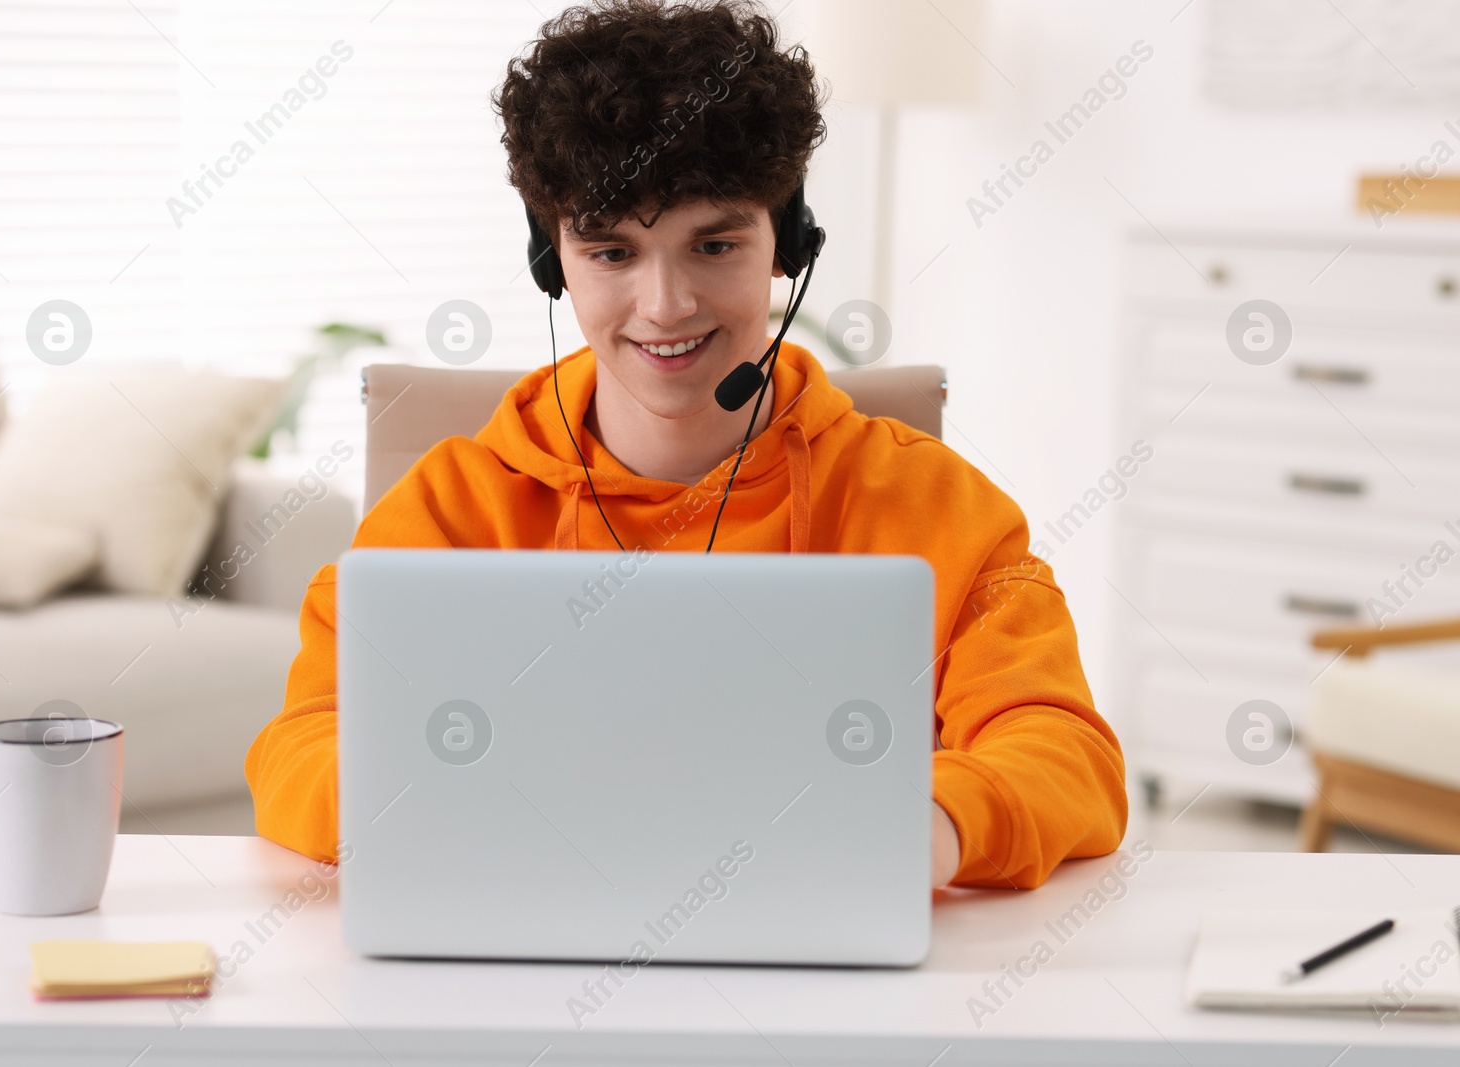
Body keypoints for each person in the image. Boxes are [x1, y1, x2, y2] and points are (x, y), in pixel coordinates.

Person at [245, 0, 1127, 889]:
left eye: (713, 244)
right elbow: (304, 743)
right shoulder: (449, 509)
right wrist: (457, 809)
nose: (666, 305)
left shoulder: (933, 505)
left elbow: (1064, 749)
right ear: (552, 262)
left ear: (787, 244)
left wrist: (928, 825)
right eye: (611, 252)